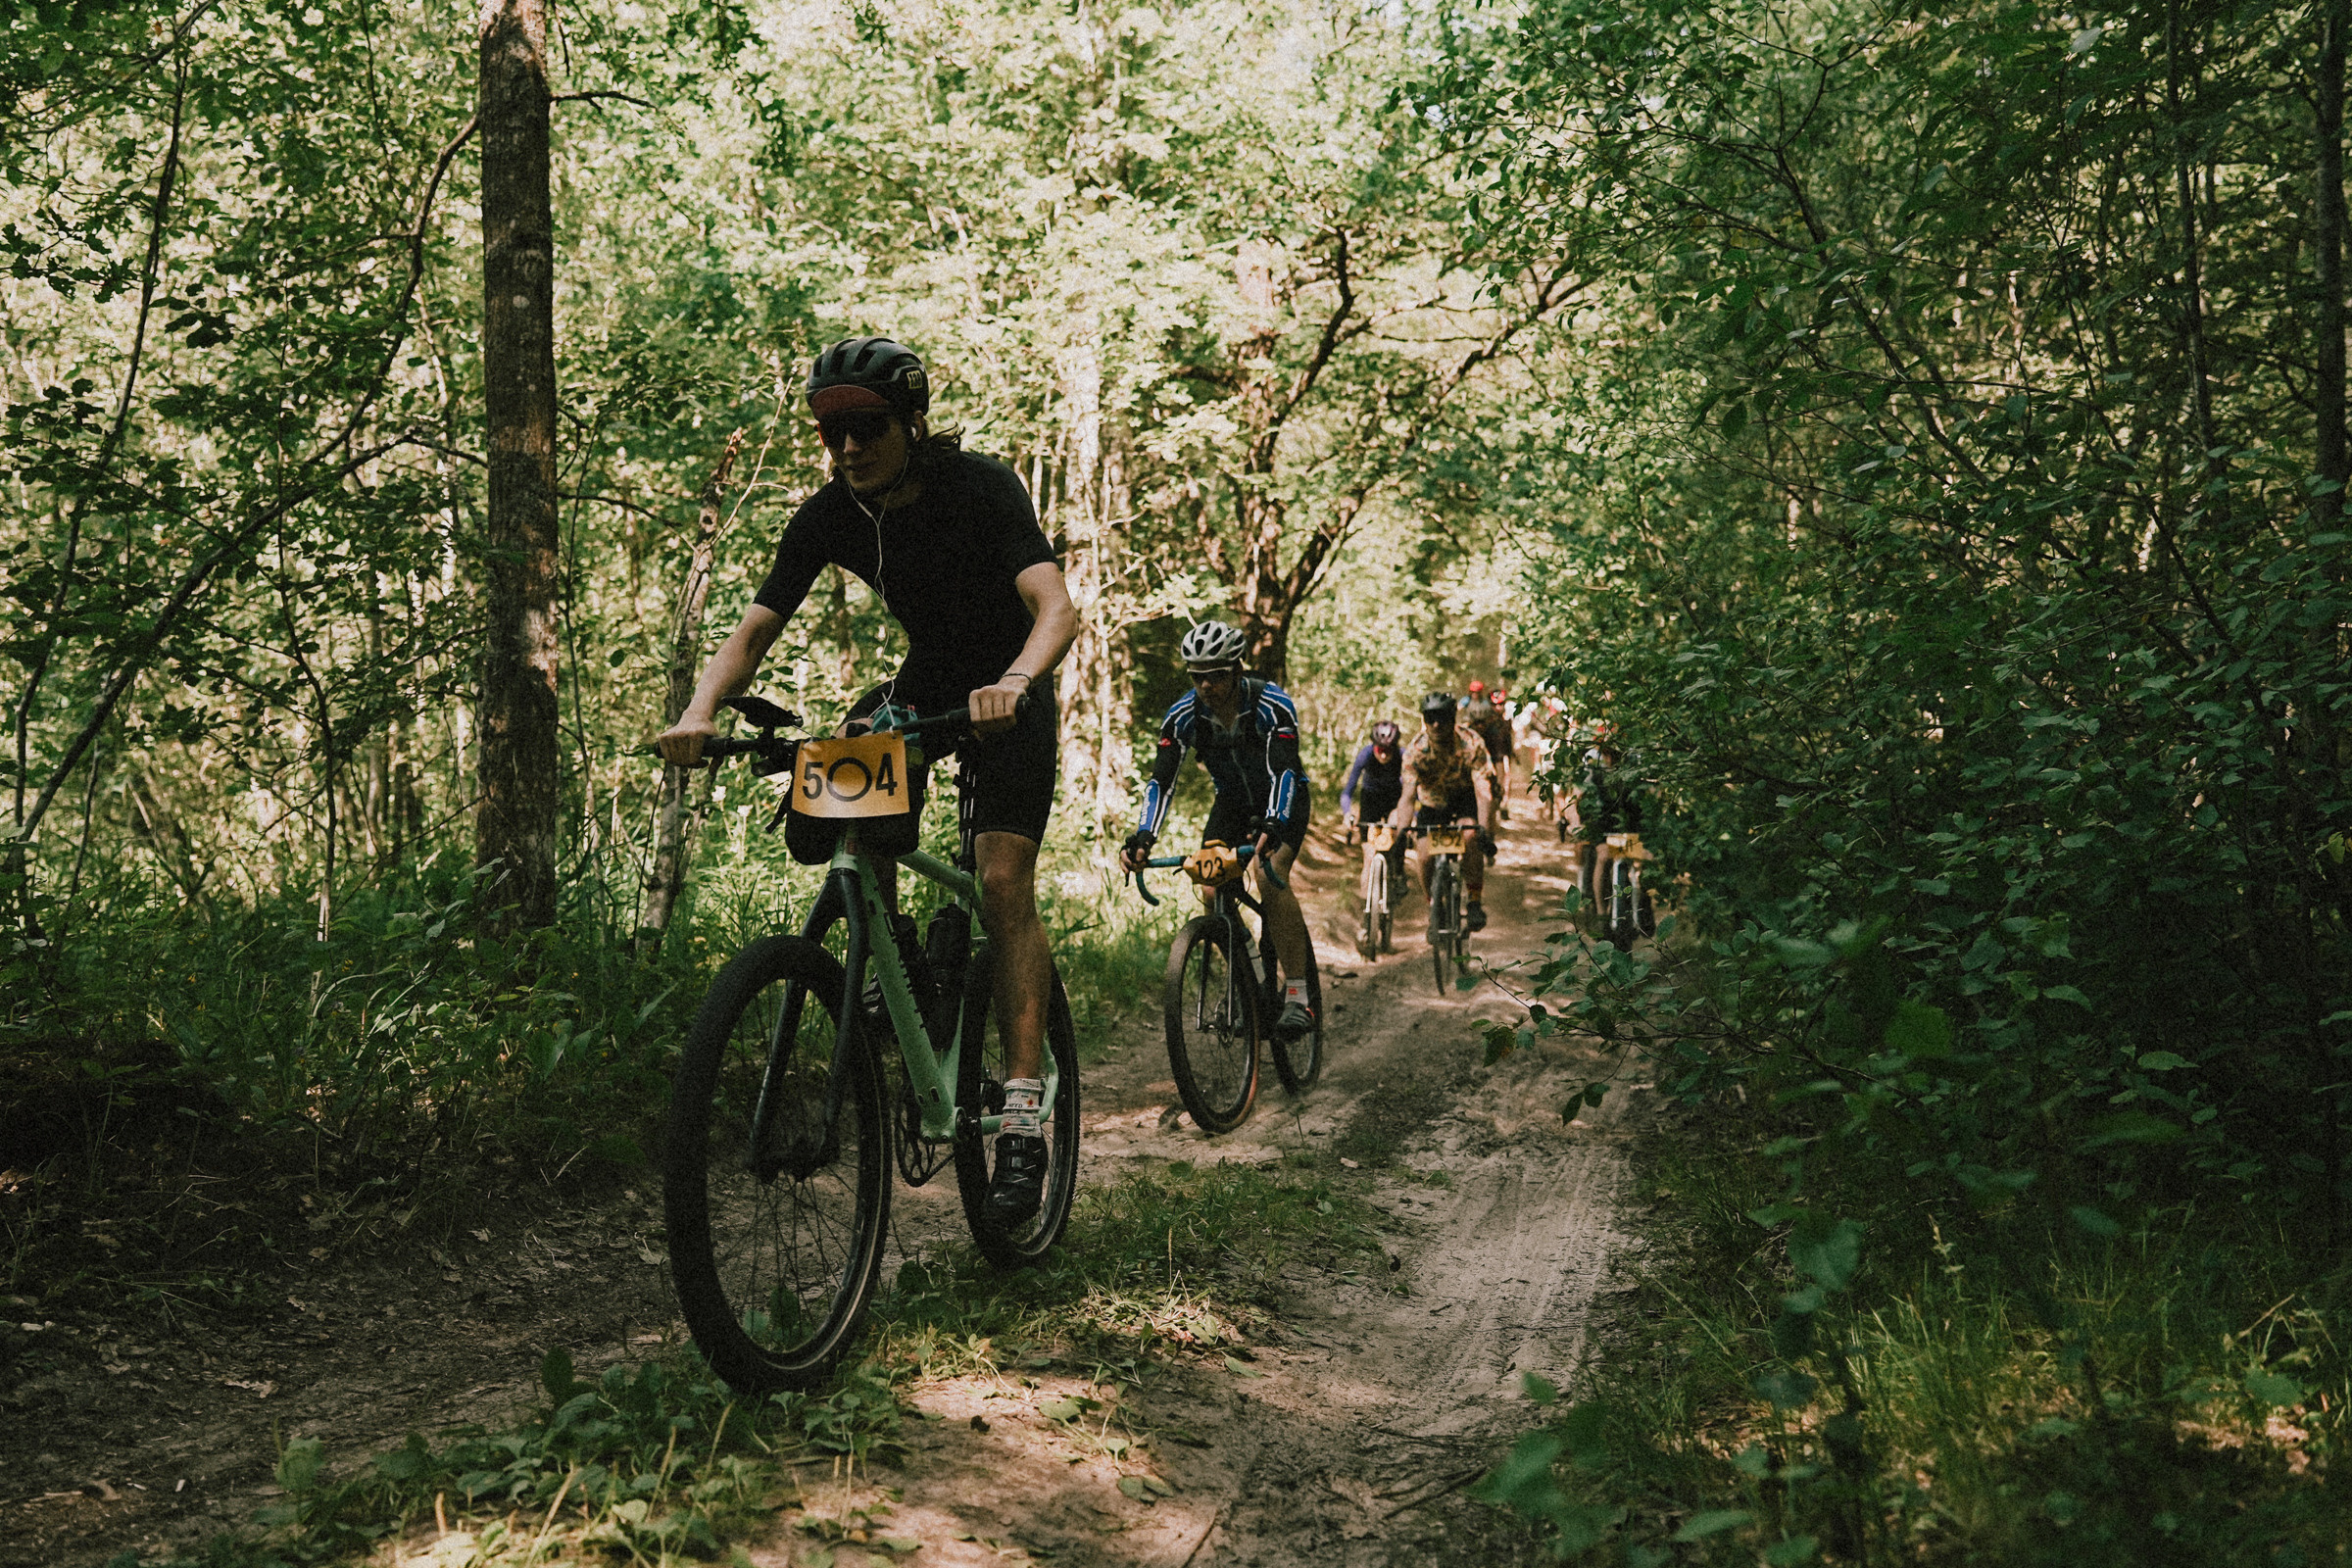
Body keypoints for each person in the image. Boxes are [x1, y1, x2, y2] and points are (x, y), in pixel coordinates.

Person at [655, 336, 1078, 1229]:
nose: (848, 448)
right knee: (848, 762)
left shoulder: (980, 486)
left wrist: (1016, 683)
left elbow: (1054, 606)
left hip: (1008, 690)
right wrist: (699, 713)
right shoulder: (831, 513)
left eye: (868, 428)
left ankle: (1023, 1119)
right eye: (831, 432)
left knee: (1002, 882)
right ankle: (893, 970)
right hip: (924, 686)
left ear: (910, 423)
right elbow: (752, 634)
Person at [1117, 620, 1317, 1039]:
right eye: (1198, 677)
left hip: (1284, 799)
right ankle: (1247, 973)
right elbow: (1162, 782)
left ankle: (1299, 996)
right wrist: (1143, 836)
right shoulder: (1182, 717)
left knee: (1267, 873)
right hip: (1231, 804)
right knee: (1209, 883)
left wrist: (1275, 822)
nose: (1206, 685)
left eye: (1217, 675)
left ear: (1237, 670)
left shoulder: (1272, 704)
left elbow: (1283, 769)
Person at [1395, 691, 1495, 932]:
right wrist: (1401, 834)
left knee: (1470, 836)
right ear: (1424, 721)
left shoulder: (1471, 742)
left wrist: (1485, 831)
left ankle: (1473, 901)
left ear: (1453, 719)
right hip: (1432, 803)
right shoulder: (1415, 750)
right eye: (1430, 719)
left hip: (1464, 798)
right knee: (1424, 855)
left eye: (1442, 718)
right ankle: (1434, 904)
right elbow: (1407, 798)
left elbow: (1483, 791)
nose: (1436, 724)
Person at [1340, 718, 1409, 919]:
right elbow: (1347, 792)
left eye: (1389, 749)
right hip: (1370, 801)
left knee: (1398, 825)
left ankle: (1399, 871)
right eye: (1381, 750)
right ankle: (1366, 916)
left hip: (1395, 800)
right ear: (1374, 746)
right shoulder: (1365, 755)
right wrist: (1348, 814)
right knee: (1369, 857)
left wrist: (1411, 815)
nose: (1385, 754)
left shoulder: (1403, 756)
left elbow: (1414, 791)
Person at [1461, 680, 1515, 818]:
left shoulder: (1502, 724)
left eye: (1500, 705)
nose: (1498, 708)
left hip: (1496, 759)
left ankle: (1501, 805)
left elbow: (1501, 754)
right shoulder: (1473, 727)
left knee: (1499, 783)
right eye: (1495, 705)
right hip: (1480, 763)